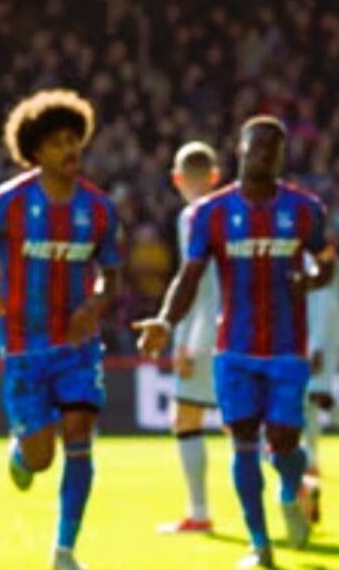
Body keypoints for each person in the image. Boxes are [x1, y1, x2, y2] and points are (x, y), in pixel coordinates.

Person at [135, 115, 335, 569]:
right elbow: (189, 277)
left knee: (284, 442)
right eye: (257, 145)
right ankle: (260, 544)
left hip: (287, 350)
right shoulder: (212, 213)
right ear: (240, 150)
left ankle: (290, 490)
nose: (264, 152)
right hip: (234, 351)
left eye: (274, 147)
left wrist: (311, 279)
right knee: (242, 440)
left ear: (283, 155)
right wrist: (166, 321)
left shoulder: (306, 210)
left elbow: (326, 264)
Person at [0, 89, 122, 570]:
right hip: (25, 348)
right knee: (41, 458)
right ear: (36, 151)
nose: (70, 151)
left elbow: (112, 271)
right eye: (57, 143)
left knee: (79, 433)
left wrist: (96, 300)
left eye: (75, 140)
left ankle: (65, 551)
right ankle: (22, 455)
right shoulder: (8, 201)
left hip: (78, 347)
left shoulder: (100, 209)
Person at [157, 142, 222, 534]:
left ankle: (198, 513)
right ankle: (296, 482)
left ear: (177, 179)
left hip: (203, 331)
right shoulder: (239, 212)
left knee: (185, 417)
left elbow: (193, 283)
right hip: (243, 327)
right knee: (242, 421)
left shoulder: (193, 216)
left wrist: (181, 339)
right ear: (215, 176)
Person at [301, 245, 338, 523]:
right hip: (309, 340)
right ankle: (310, 462)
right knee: (312, 403)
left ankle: (309, 466)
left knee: (314, 400)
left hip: (316, 341)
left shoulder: (313, 257)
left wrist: (315, 347)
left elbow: (325, 301)